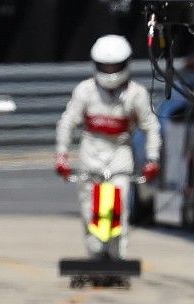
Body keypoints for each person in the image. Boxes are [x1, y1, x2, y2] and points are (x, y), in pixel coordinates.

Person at [55, 34, 161, 258]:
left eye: (115, 65)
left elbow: (151, 126)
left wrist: (152, 159)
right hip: (90, 152)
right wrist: (62, 157)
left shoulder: (137, 94)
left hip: (120, 153)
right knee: (88, 208)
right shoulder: (85, 91)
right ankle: (94, 255)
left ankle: (117, 256)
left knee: (119, 207)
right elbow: (66, 123)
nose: (110, 70)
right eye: (105, 65)